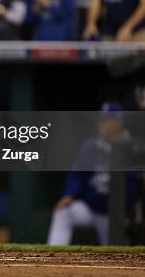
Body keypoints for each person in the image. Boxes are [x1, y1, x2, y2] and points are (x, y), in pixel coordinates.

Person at [47, 103, 124, 246]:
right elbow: (75, 173)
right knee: (64, 213)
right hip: (90, 207)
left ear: (119, 122)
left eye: (108, 120)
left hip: (114, 215)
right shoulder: (90, 147)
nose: (103, 124)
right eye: (102, 120)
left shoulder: (127, 147)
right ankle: (52, 255)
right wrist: (69, 195)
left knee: (114, 253)